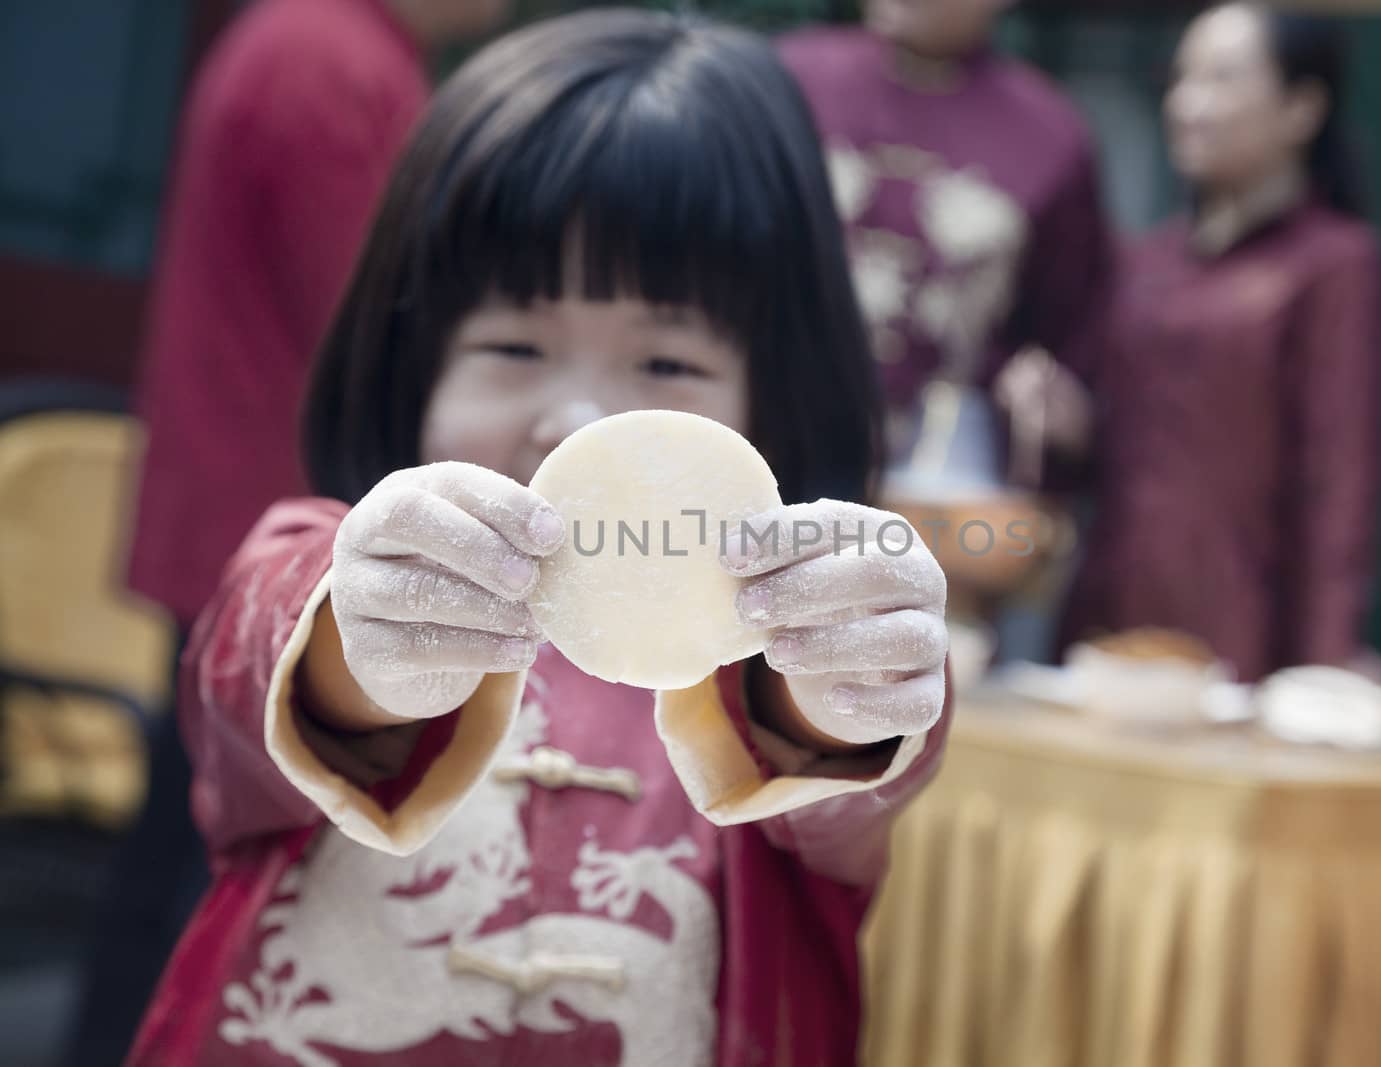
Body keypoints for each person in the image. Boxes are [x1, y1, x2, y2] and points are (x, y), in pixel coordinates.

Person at [127, 10, 951, 1065]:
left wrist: (852, 664)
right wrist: (362, 642)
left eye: (667, 366)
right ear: (408, 362)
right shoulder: (327, 572)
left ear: (776, 400)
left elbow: (850, 769)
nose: (577, 423)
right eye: (514, 345)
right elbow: (250, 672)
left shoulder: (776, 654)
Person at [69, 2, 509, 1062]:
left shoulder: (305, 35)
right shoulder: (335, 60)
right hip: (275, 531)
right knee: (223, 870)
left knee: (173, 854)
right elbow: (381, 332)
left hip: (240, 503)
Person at [1057, 2, 1381, 681]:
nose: (1188, 104)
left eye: (1221, 79)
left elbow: (1340, 476)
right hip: (1108, 609)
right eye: (1182, 79)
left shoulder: (1337, 265)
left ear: (1302, 108)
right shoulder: (1144, 261)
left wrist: (1323, 662)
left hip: (1246, 629)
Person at [778, 0, 1111, 489]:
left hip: (941, 473)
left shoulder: (1051, 136)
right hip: (774, 432)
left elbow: (1066, 337)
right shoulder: (790, 79)